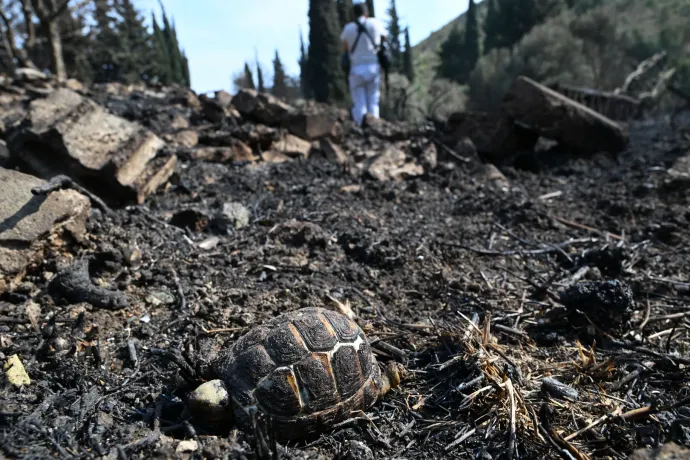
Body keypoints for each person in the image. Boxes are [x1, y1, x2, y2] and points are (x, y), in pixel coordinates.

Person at [340, 3, 388, 126]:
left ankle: (361, 128)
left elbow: (345, 49)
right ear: (366, 13)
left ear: (353, 15)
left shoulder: (348, 29)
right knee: (373, 101)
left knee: (359, 103)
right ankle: (375, 126)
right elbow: (385, 38)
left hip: (356, 69)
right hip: (373, 67)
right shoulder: (375, 23)